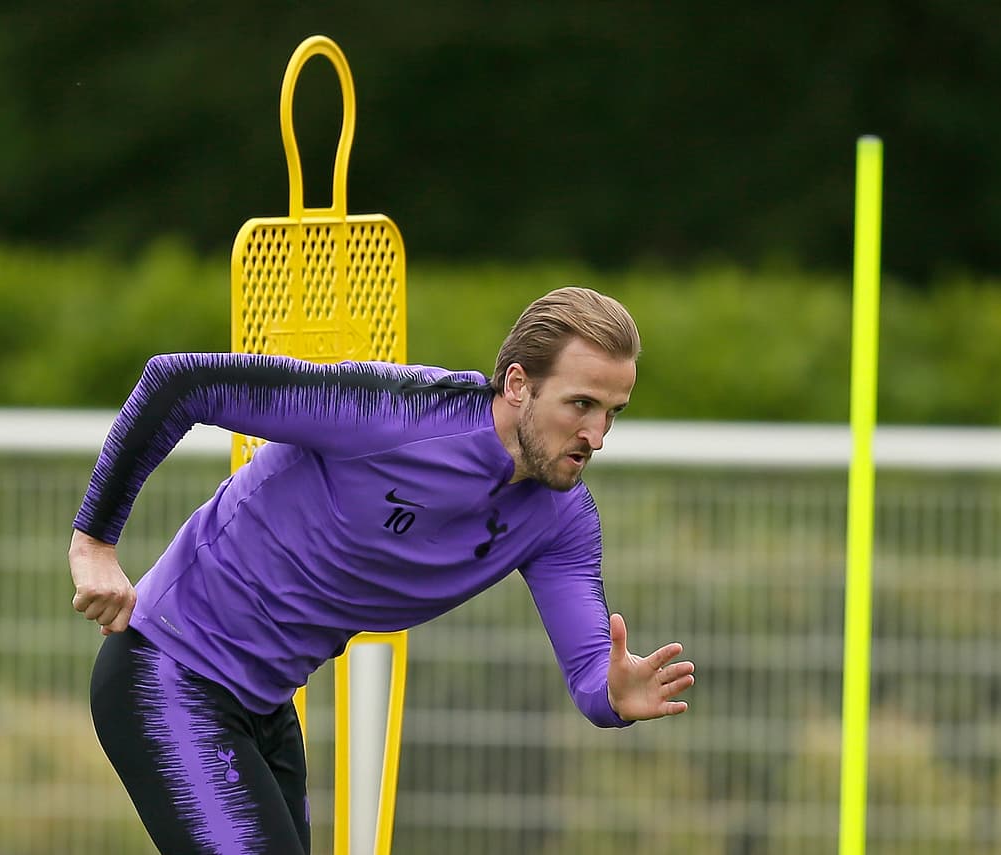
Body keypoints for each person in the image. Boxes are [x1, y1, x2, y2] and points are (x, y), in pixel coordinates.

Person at [69, 286, 695, 855]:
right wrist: (95, 542)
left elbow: (590, 670)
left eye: (612, 412)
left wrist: (615, 695)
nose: (598, 435)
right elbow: (178, 384)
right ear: (516, 385)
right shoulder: (393, 413)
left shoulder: (562, 521)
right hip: (166, 672)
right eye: (580, 404)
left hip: (265, 708)